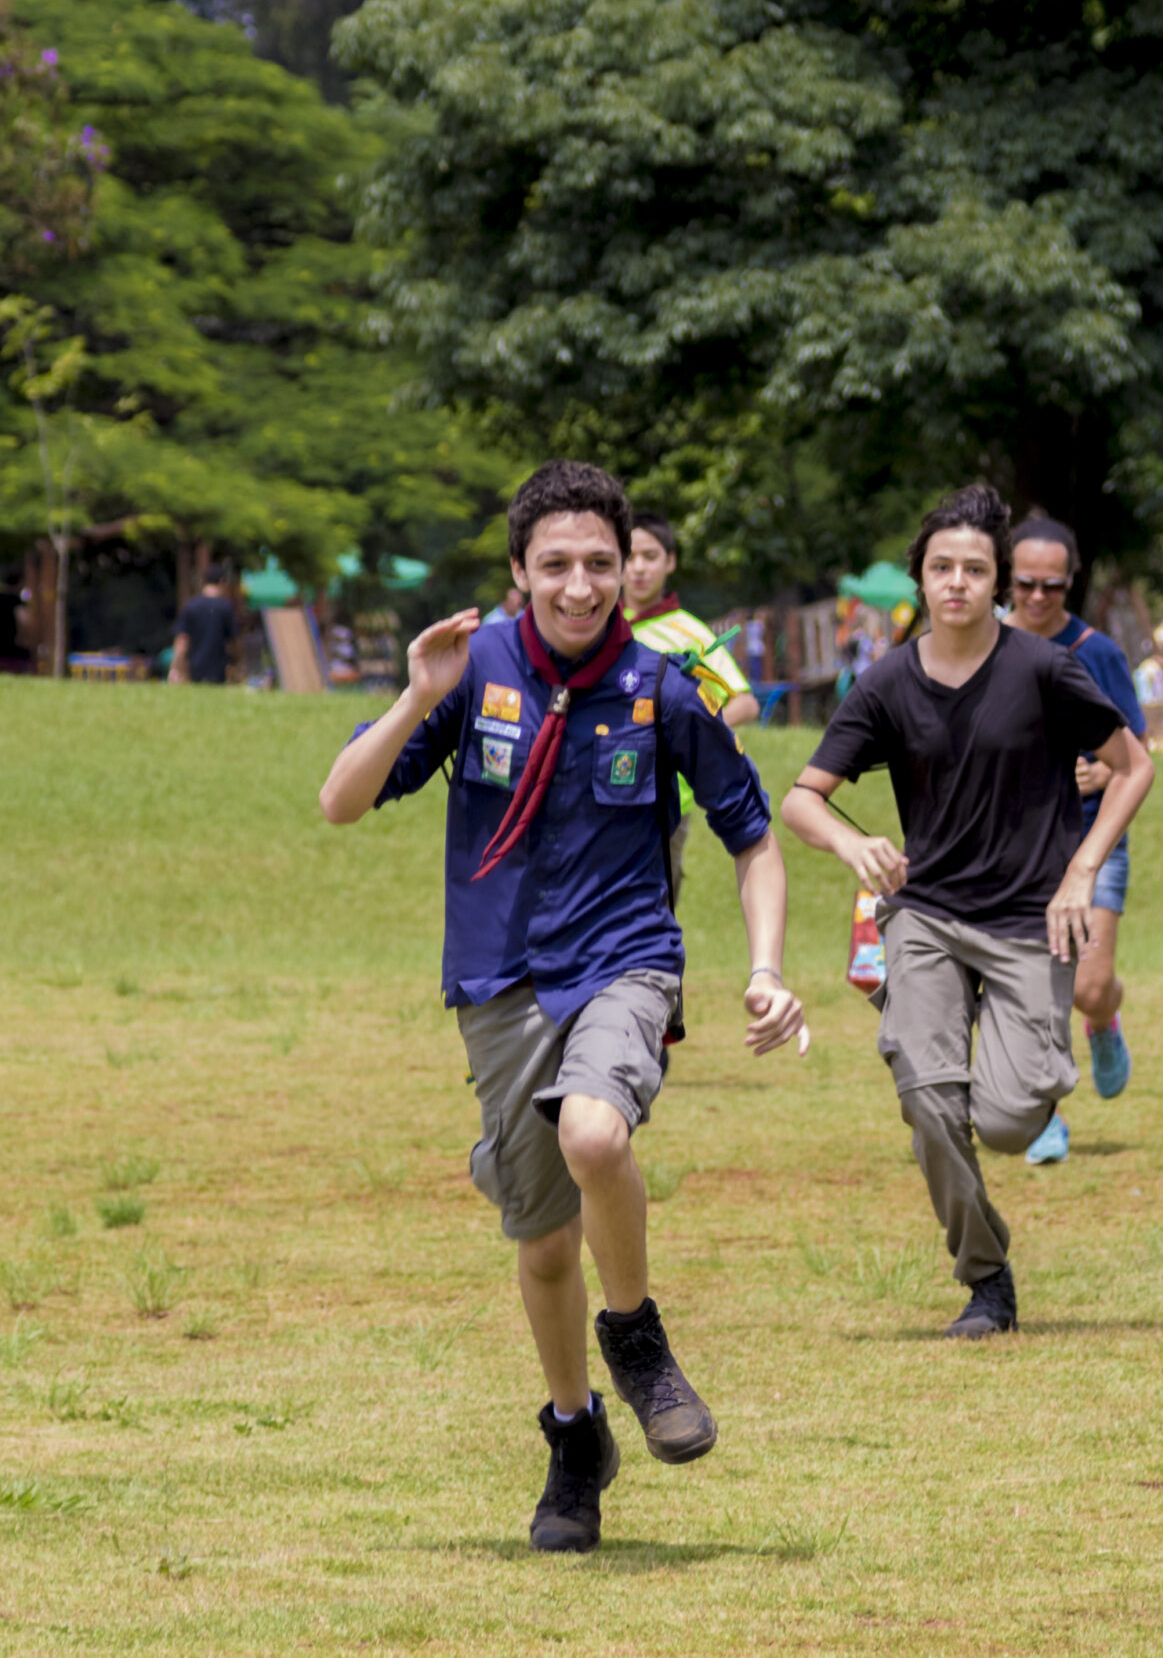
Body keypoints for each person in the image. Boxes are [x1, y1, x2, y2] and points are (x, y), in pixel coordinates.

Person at [318, 460, 807, 1555]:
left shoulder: (662, 687)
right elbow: (339, 803)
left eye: (599, 563)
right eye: (556, 565)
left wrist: (765, 967)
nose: (580, 586)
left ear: (628, 568)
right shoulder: (472, 668)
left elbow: (754, 839)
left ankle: (634, 1339)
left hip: (624, 962)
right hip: (497, 980)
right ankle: (574, 1438)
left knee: (595, 1128)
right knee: (542, 1248)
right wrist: (415, 695)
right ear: (517, 572)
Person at [779, 484, 1152, 1338]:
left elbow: (1132, 766)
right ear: (921, 577)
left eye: (975, 569)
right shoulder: (885, 682)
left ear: (998, 581)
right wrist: (851, 842)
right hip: (927, 914)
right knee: (928, 1095)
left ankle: (1033, 1077)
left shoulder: (1045, 668)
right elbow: (803, 799)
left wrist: (1081, 872)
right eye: (942, 566)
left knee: (1009, 1121)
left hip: (1032, 918)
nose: (957, 581)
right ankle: (987, 1277)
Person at [1001, 513, 1149, 1117]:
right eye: (1025, 583)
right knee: (1031, 986)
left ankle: (1105, 1020)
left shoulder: (1097, 653)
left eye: (1052, 586)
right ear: (1007, 579)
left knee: (1086, 986)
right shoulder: (984, 644)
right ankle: (1044, 1115)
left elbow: (1135, 753)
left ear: (1071, 583)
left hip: (1093, 837)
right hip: (1013, 841)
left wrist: (1103, 772)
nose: (1037, 597)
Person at [621, 513, 758, 908]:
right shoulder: (599, 626)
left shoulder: (689, 632)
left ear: (671, 561)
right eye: (630, 557)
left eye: (650, 556)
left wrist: (677, 734)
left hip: (665, 802)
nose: (639, 568)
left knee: (654, 913)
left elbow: (743, 703)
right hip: (598, 795)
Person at [171, 569, 238, 686]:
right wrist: (237, 663)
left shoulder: (191, 605)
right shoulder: (225, 608)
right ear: (222, 582)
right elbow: (234, 642)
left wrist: (176, 667)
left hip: (193, 669)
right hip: (218, 671)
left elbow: (182, 640)